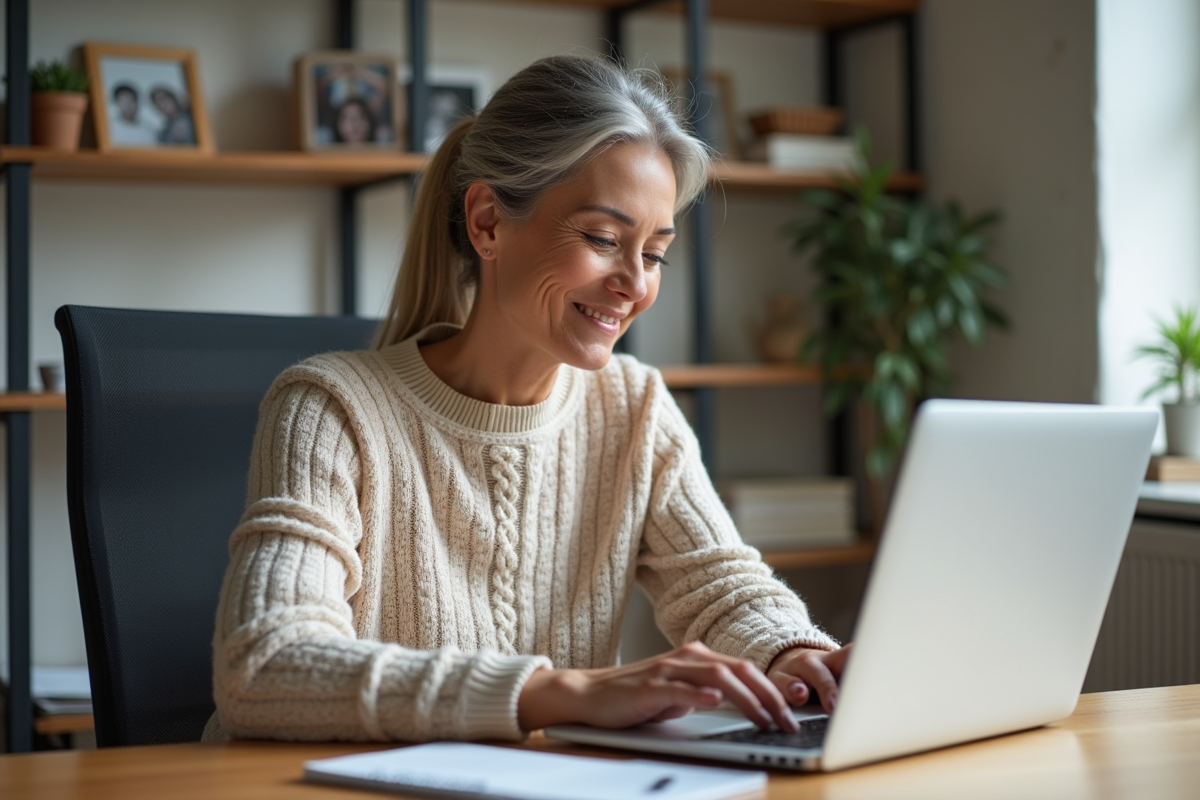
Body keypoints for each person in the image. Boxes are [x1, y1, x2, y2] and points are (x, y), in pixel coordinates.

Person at [206, 54, 850, 744]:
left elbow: (719, 585)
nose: (635, 283)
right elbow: (264, 664)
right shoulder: (332, 408)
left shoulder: (633, 407)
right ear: (487, 221)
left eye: (654, 252)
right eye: (604, 239)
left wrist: (794, 652)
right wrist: (556, 692)